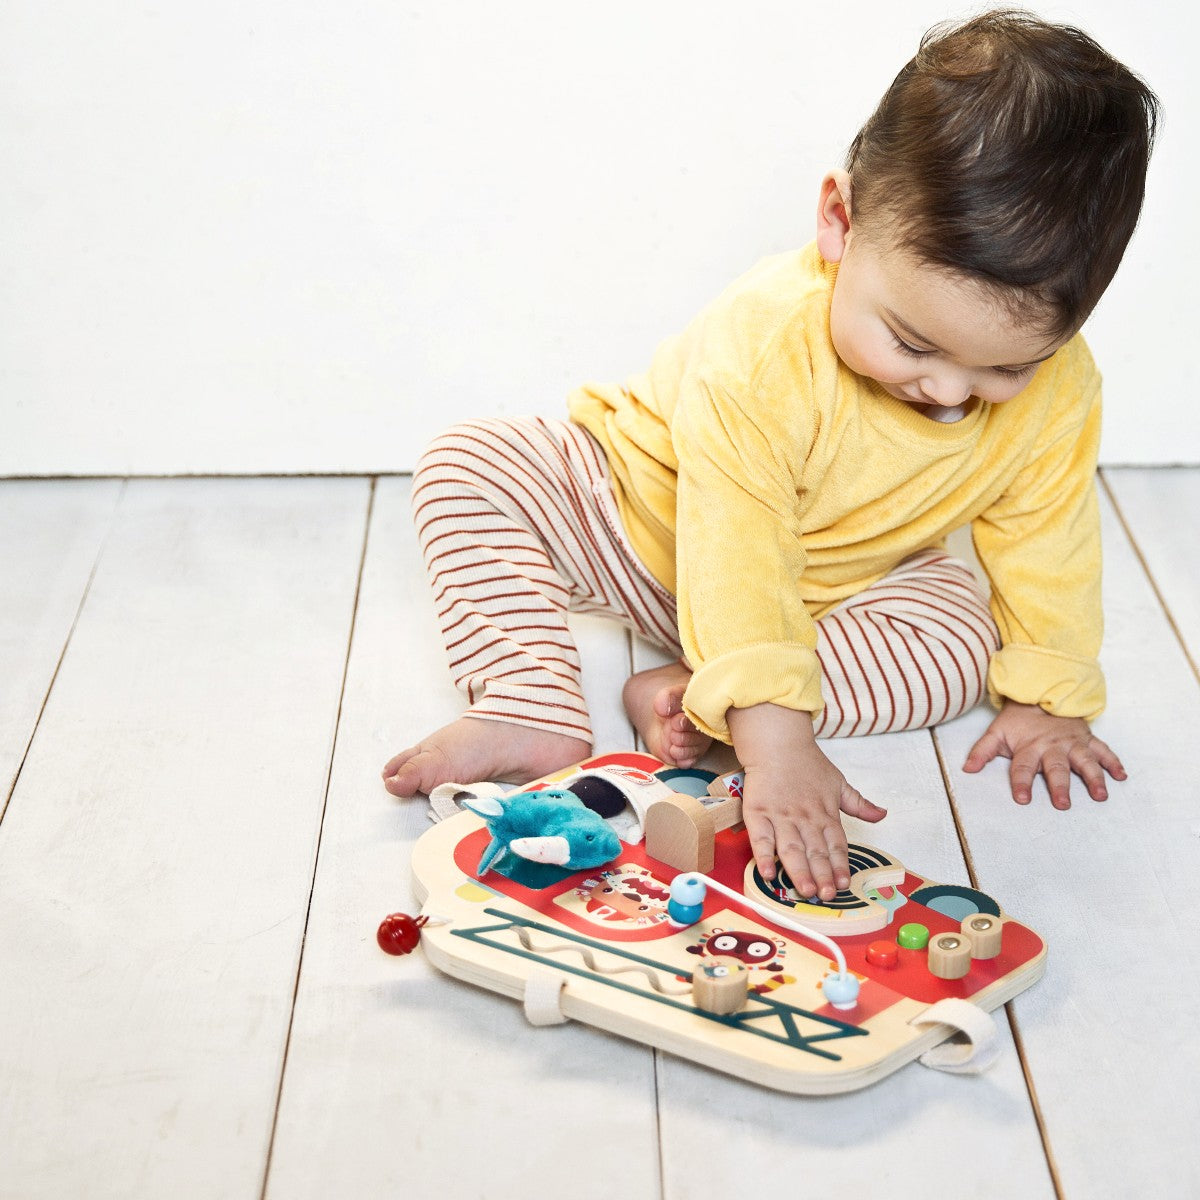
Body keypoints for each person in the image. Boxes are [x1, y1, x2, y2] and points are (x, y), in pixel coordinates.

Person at [383, 10, 1159, 904]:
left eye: (1004, 367)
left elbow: (1046, 535)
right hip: (645, 526)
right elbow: (736, 532)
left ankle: (696, 690)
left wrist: (1048, 697)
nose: (948, 392)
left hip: (823, 594)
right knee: (469, 463)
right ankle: (531, 703)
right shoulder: (765, 342)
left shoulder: (1065, 389)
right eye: (911, 343)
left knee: (959, 636)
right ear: (840, 220)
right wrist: (781, 743)